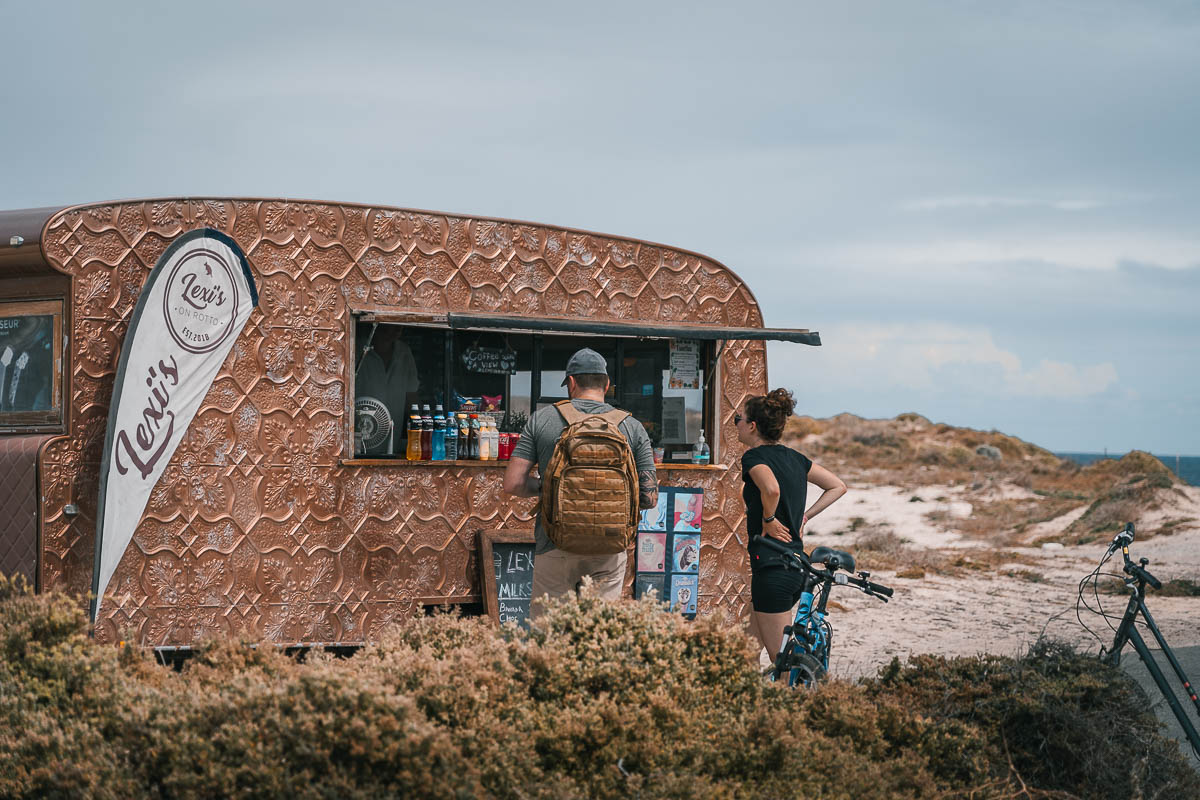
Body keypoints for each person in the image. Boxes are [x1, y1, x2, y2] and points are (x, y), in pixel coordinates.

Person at [503, 347, 658, 617]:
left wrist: (547, 486)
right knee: (598, 635)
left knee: (549, 634)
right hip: (610, 548)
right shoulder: (632, 426)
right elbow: (649, 498)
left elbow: (513, 483)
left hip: (555, 543)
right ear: (607, 384)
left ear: (571, 382)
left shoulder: (543, 419)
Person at [736, 387, 847, 660]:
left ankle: (792, 701)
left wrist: (769, 519)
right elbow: (837, 486)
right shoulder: (796, 459)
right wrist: (804, 516)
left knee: (781, 659)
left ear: (752, 426)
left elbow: (771, 489)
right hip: (795, 566)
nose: (735, 424)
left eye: (738, 419)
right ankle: (750, 701)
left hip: (773, 568)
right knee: (743, 652)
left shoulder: (754, 457)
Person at [354, 325, 418, 452]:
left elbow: (411, 399)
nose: (395, 330)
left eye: (398, 327)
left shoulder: (404, 352)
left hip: (393, 443)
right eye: (388, 327)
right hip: (358, 446)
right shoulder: (356, 349)